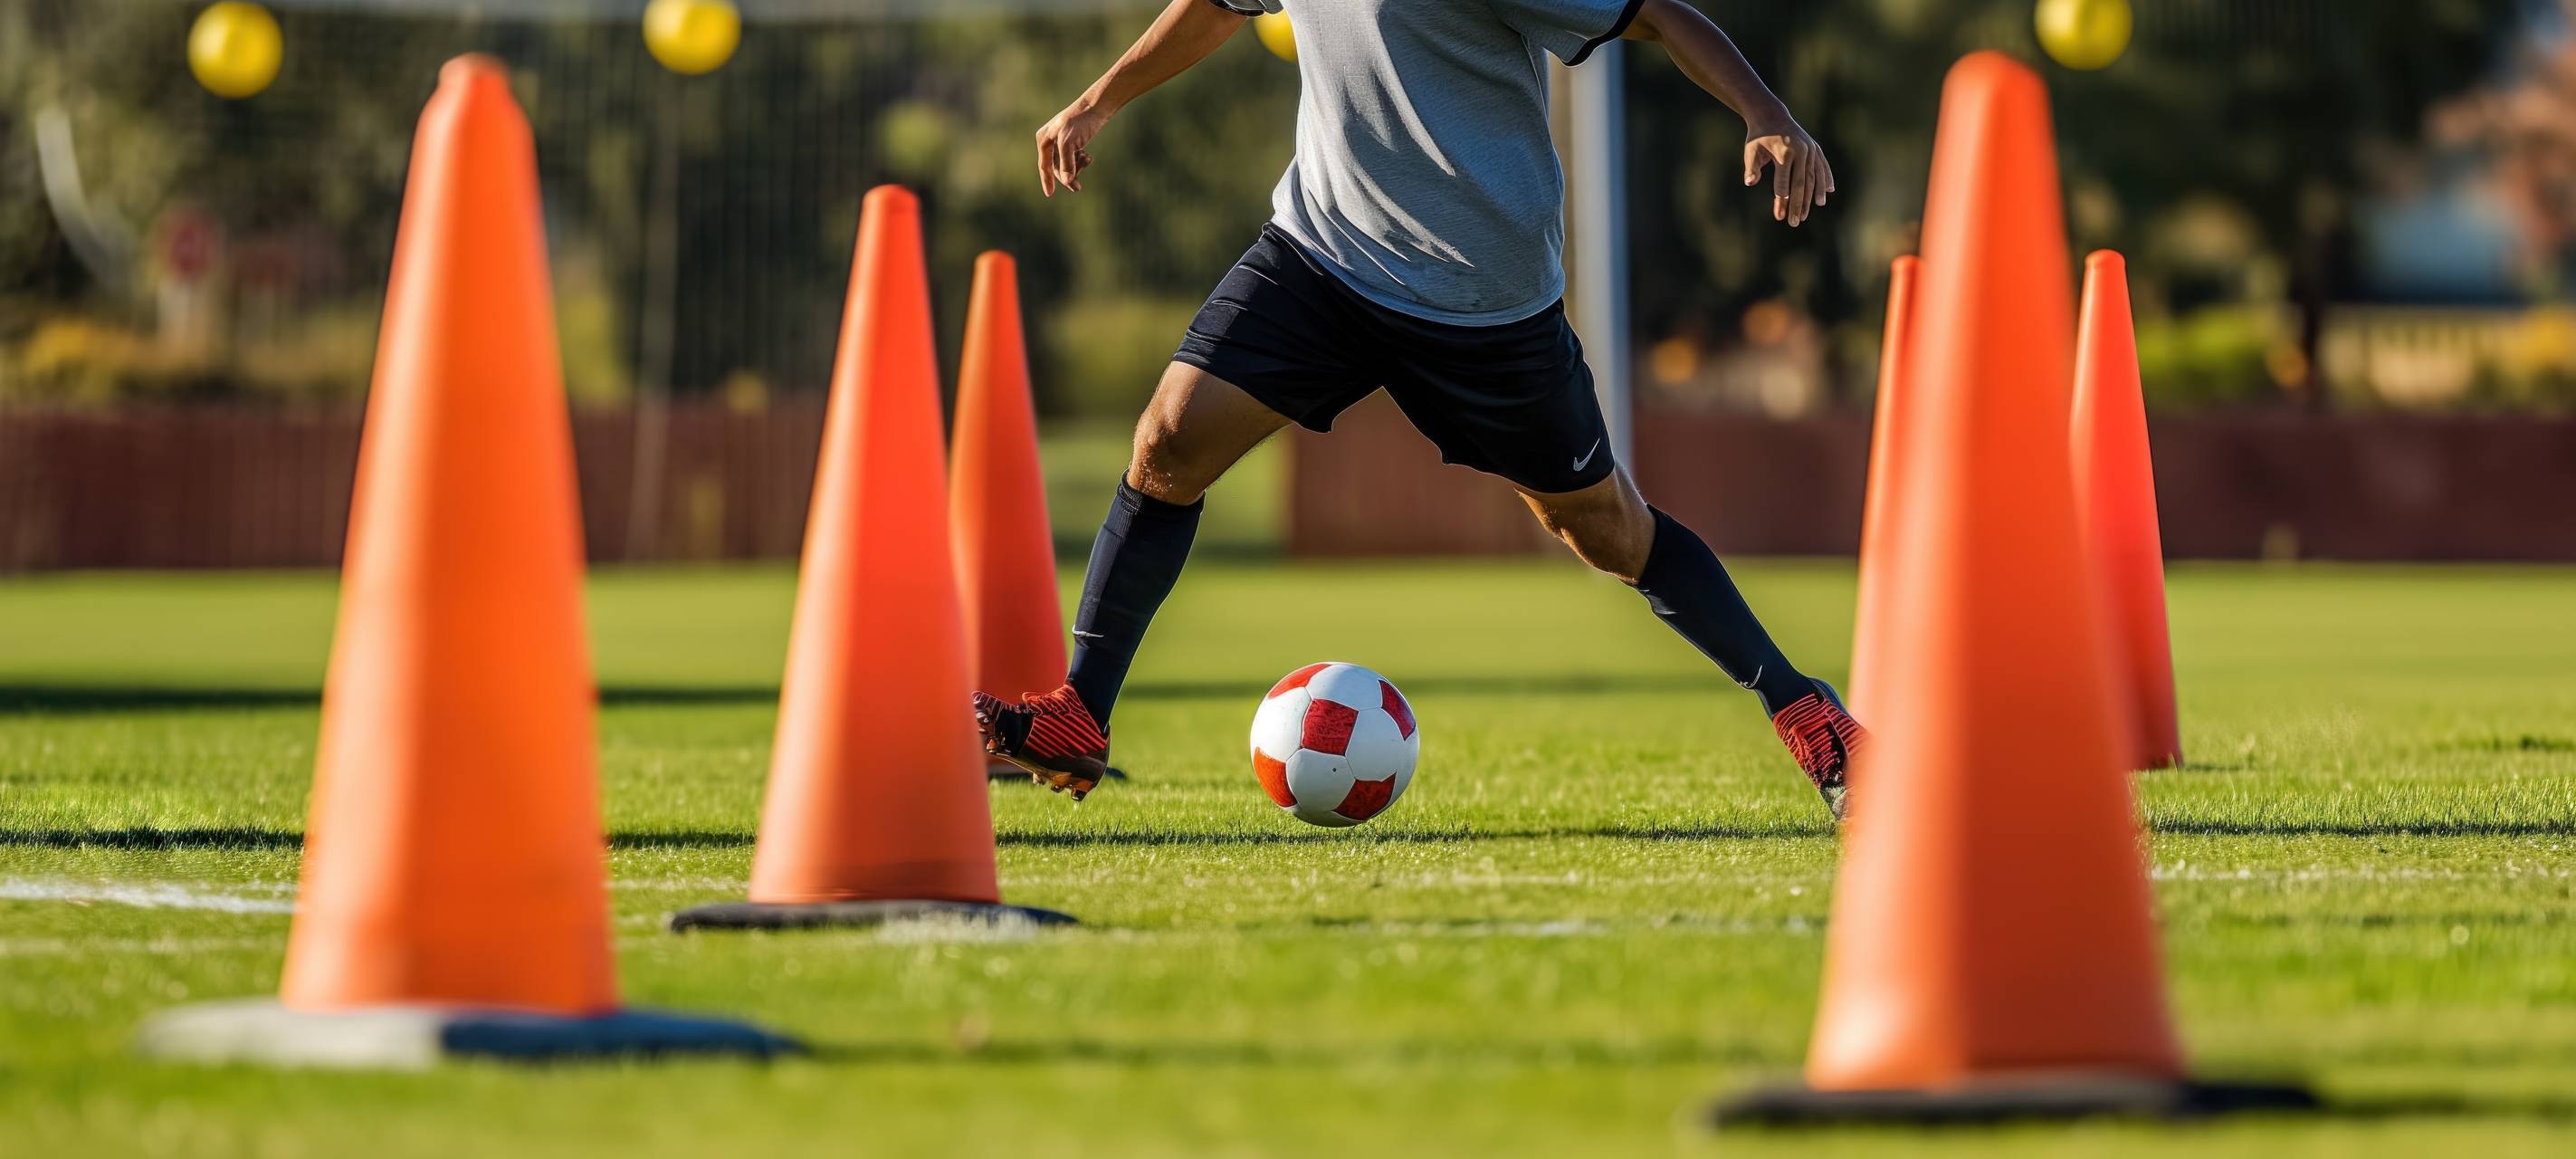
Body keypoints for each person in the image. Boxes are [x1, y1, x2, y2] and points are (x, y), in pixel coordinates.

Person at [973, 0, 1865, 819]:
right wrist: (1096, 102)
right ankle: (1077, 714)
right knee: (1167, 441)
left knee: (1605, 530)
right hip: (1322, 252)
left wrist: (1765, 113)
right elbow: (1217, 6)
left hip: (1479, 298)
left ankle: (1804, 709)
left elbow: (1658, 13)